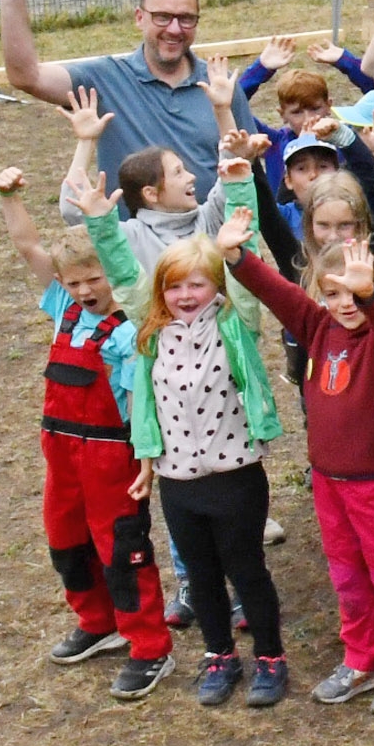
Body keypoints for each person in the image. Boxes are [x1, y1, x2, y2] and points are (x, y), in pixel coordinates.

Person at [226, 235, 374, 717]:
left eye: (354, 292)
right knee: (347, 575)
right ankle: (360, 658)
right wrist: (238, 257)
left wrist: (371, 296)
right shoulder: (315, 326)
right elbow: (278, 292)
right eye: (332, 293)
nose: (344, 304)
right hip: (327, 482)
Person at [101, 205, 290, 711]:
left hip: (236, 478)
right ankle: (219, 655)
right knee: (200, 576)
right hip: (178, 483)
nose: (185, 296)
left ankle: (270, 657)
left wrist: (234, 197)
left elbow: (247, 287)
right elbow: (122, 274)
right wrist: (101, 220)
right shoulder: (150, 336)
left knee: (247, 569)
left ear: (216, 287)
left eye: (198, 285)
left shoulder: (234, 327)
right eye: (175, 287)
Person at [0, 165, 174, 700]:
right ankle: (98, 623)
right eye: (73, 282)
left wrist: (145, 459)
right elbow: (27, 246)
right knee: (66, 541)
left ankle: (149, 646)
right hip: (62, 453)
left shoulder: (131, 330)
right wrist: (10, 197)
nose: (83, 289)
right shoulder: (64, 309)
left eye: (93, 277)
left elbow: (144, 404)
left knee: (121, 550)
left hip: (110, 459)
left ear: (113, 272)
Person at [0, 0, 220, 185]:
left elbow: (246, 164)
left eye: (186, 18)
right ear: (139, 18)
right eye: (162, 17)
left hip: (215, 223)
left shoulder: (220, 85)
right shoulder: (105, 80)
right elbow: (27, 76)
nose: (174, 29)